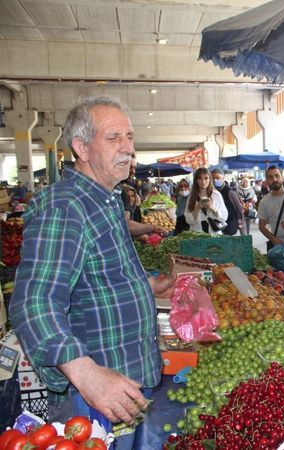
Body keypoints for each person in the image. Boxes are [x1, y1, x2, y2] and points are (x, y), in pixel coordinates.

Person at [9, 96, 176, 448]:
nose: (128, 148)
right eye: (113, 137)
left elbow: (92, 274)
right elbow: (33, 301)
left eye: (130, 137)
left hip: (125, 381)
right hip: (96, 391)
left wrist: (146, 284)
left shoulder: (105, 200)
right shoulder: (65, 205)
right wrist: (87, 373)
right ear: (81, 148)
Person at [184, 167, 228, 235]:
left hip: (214, 234)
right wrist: (197, 207)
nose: (203, 182)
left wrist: (212, 208)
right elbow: (189, 221)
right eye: (200, 179)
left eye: (206, 178)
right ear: (196, 180)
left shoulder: (216, 195)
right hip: (197, 235)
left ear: (210, 179)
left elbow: (224, 217)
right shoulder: (191, 197)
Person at [211, 168, 244, 236]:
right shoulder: (211, 192)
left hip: (230, 221)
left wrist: (240, 220)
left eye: (217, 178)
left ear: (223, 178)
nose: (215, 180)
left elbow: (238, 208)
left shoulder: (230, 192)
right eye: (213, 178)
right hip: (217, 221)